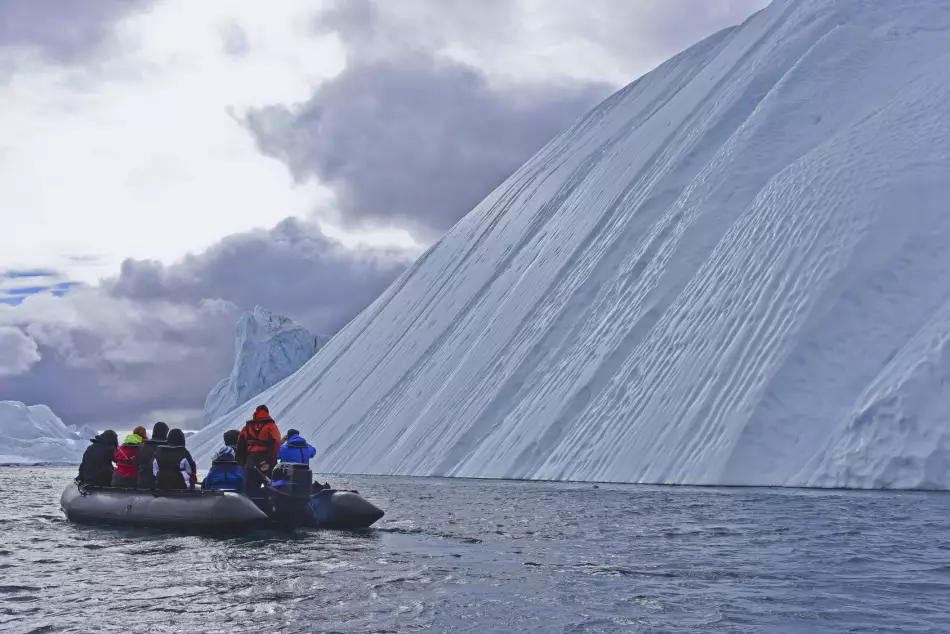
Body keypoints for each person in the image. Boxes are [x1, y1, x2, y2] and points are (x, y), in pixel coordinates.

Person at [236, 404, 281, 496]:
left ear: (256, 413)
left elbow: (240, 446)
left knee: (249, 491)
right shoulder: (271, 426)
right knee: (273, 489)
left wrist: (243, 463)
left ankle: (250, 508)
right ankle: (270, 507)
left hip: (250, 460)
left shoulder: (246, 428)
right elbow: (276, 443)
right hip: (266, 460)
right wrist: (269, 461)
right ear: (267, 413)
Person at [136, 422, 168, 489]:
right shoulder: (166, 447)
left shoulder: (142, 446)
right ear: (165, 433)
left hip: (142, 482)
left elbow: (136, 465)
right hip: (161, 484)